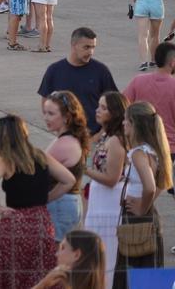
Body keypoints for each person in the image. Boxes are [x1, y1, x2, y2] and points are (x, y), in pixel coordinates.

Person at [0, 114, 76, 289]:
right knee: (40, 274)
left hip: (16, 223)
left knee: (14, 275)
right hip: (41, 221)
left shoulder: (6, 160)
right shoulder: (40, 156)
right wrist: (47, 198)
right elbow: (69, 180)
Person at [113, 101, 172, 284]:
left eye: (125, 120)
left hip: (136, 219)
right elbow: (162, 183)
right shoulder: (153, 151)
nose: (123, 124)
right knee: (149, 277)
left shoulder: (138, 153)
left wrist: (141, 208)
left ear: (134, 124)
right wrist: (148, 205)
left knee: (131, 273)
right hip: (149, 218)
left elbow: (150, 186)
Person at [37, 28, 118, 134]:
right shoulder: (54, 70)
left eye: (93, 47)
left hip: (93, 138)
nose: (91, 52)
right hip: (66, 136)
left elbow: (115, 107)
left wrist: (99, 136)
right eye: (86, 47)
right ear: (73, 46)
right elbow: (45, 102)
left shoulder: (101, 71)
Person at [84, 92, 127, 284]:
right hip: (99, 203)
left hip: (109, 206)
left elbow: (112, 178)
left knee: (106, 258)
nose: (97, 111)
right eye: (98, 106)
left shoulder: (117, 141)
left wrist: (84, 170)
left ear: (115, 113)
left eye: (104, 108)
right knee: (96, 258)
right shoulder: (105, 135)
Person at [33, 229, 107, 289]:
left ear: (76, 255)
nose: (56, 254)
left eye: (63, 248)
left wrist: (42, 284)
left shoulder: (59, 283)